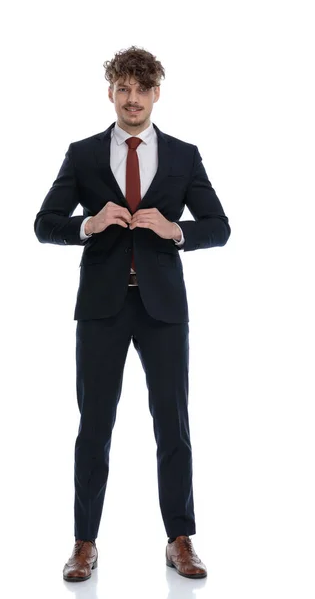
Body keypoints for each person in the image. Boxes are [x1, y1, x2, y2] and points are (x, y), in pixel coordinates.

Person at [34, 45, 231, 582]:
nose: (133, 98)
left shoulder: (185, 156)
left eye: (142, 89)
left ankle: (180, 539)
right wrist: (88, 223)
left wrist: (178, 231)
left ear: (156, 94)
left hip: (163, 308)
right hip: (101, 308)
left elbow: (220, 226)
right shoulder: (84, 154)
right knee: (94, 426)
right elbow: (44, 222)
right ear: (111, 92)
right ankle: (83, 543)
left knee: (174, 425)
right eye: (123, 88)